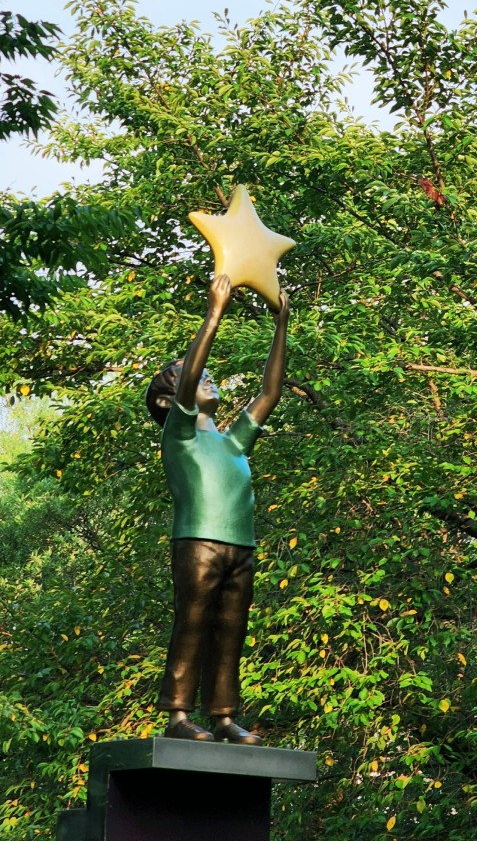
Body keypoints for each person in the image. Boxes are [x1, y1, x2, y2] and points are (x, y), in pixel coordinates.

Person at [145, 272, 289, 743]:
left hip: (240, 548)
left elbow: (269, 394)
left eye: (206, 373)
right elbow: (188, 379)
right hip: (198, 543)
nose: (205, 376)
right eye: (190, 376)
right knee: (192, 624)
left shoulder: (232, 441)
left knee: (231, 631)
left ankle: (224, 716)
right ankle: (179, 716)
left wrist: (281, 324)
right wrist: (214, 313)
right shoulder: (179, 434)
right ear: (169, 400)